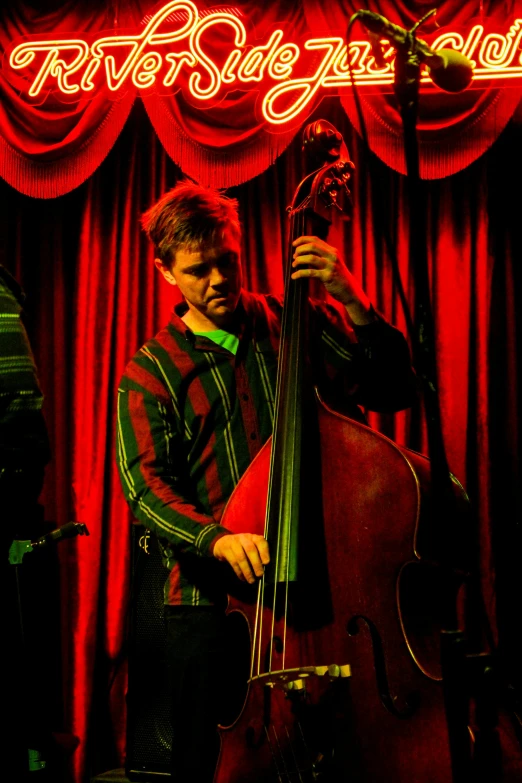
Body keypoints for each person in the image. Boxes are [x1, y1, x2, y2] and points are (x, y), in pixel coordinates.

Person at [116, 181, 417, 782]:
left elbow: (394, 391)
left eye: (226, 262)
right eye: (199, 270)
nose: (219, 280)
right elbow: (144, 487)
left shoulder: (292, 320)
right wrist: (217, 539)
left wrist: (353, 300)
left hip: (323, 592)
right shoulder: (148, 370)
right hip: (210, 607)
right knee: (210, 765)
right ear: (165, 273)